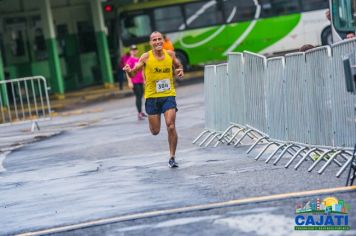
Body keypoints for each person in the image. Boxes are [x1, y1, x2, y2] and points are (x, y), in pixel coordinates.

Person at [123, 31, 184, 168]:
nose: (157, 42)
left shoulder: (170, 54)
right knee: (155, 131)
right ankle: (156, 127)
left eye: (159, 39)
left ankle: (172, 157)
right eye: (154, 40)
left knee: (171, 125)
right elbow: (133, 73)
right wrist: (128, 70)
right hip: (152, 98)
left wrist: (179, 70)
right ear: (150, 43)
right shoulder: (145, 57)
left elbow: (178, 65)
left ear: (163, 40)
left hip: (168, 94)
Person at [125, 45, 146, 120]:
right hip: (134, 81)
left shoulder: (139, 59)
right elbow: (127, 72)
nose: (134, 51)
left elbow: (142, 70)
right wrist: (129, 82)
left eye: (135, 49)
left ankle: (141, 111)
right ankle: (139, 113)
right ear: (130, 51)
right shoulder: (129, 60)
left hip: (140, 80)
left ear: (137, 51)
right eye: (132, 50)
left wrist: (144, 80)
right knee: (138, 96)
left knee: (141, 96)